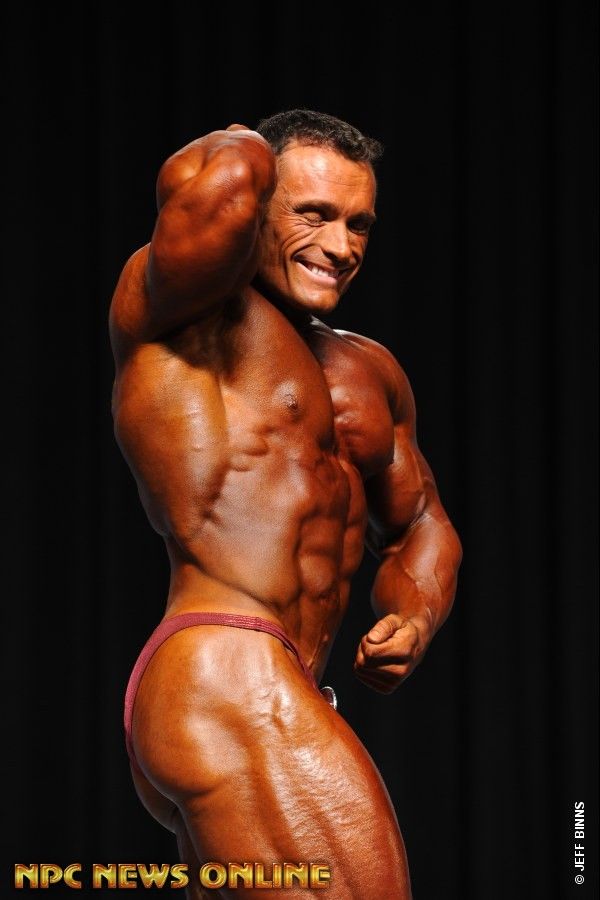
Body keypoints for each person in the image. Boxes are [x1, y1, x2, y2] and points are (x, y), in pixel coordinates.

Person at [109, 109, 462, 899]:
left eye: (359, 224)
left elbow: (422, 525)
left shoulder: (371, 373)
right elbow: (227, 185)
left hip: (282, 684)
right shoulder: (181, 312)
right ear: (261, 206)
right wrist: (247, 141)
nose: (342, 246)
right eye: (314, 214)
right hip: (224, 665)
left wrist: (413, 618)